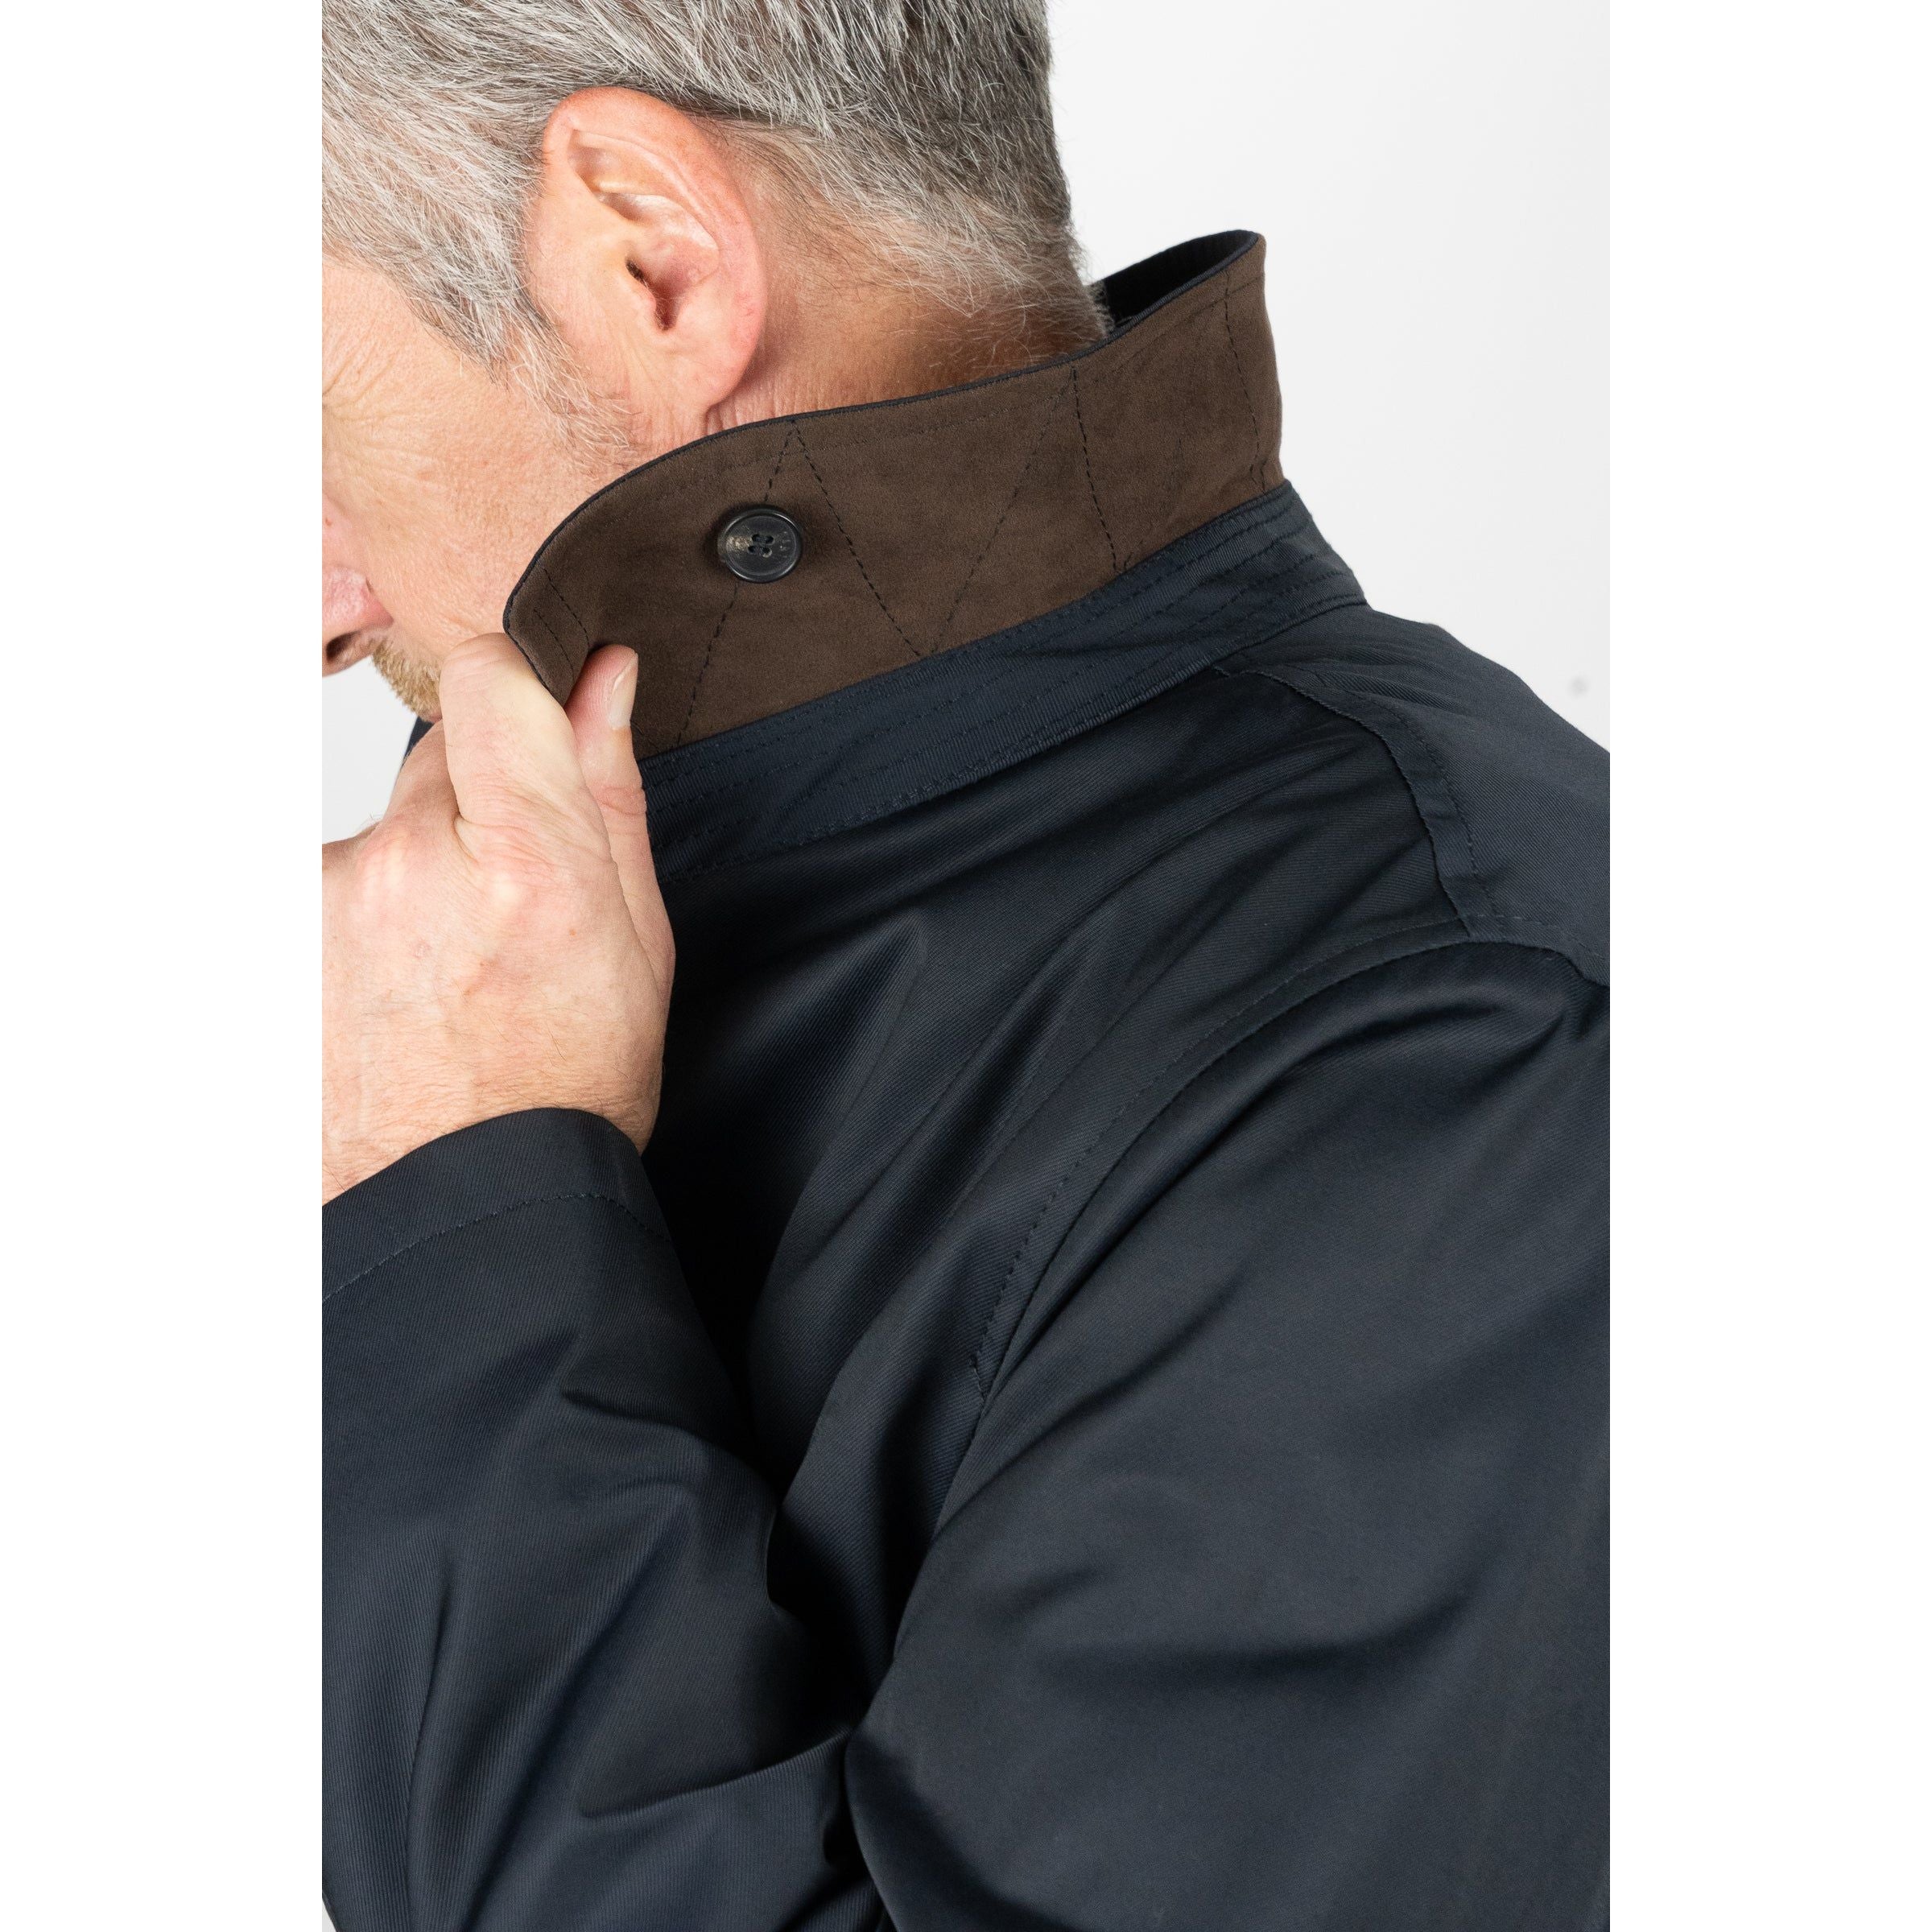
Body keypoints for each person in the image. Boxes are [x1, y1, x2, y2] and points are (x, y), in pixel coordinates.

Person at [321, 3, 1608, 1926]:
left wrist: (453, 1231)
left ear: (652, 259)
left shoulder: (1440, 1055)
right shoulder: (478, 973)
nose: (309, 616)